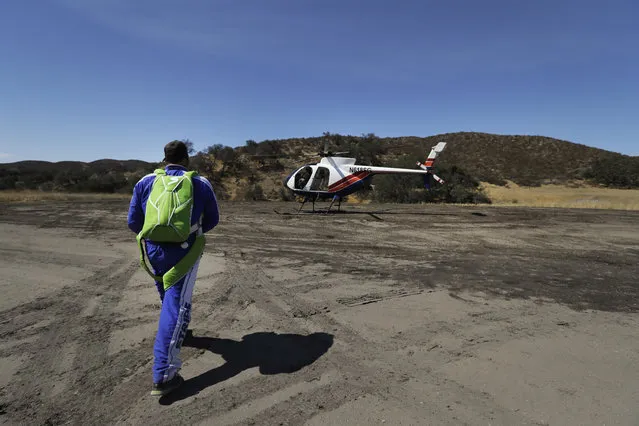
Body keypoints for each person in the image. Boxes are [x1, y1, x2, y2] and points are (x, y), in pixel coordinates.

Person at [127, 140, 220, 396]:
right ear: (186, 159)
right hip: (185, 250)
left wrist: (158, 237)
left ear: (164, 158)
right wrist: (186, 235)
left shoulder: (145, 182)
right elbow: (212, 219)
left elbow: (133, 221)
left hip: (154, 251)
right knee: (176, 304)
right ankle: (164, 374)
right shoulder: (200, 183)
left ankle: (181, 333)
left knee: (166, 295)